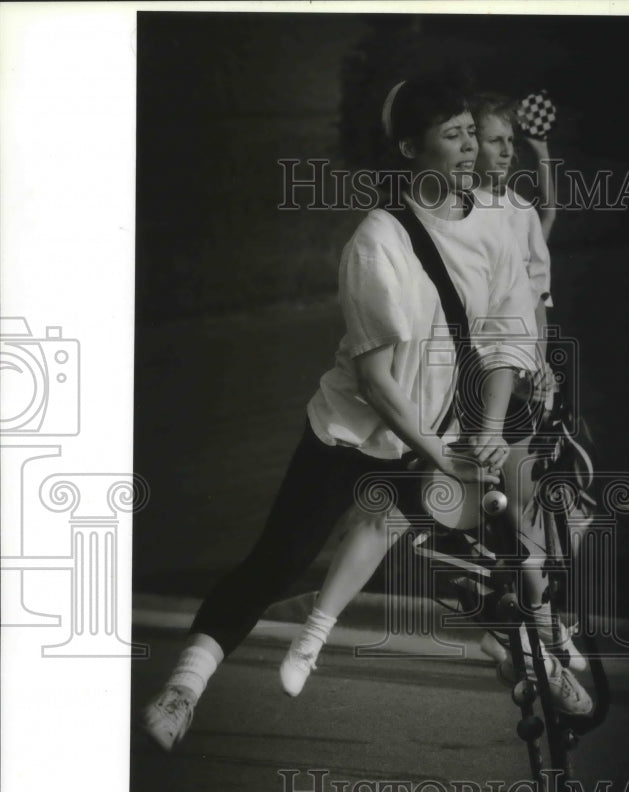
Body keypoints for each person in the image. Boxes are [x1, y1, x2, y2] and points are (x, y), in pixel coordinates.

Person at [142, 71, 546, 751]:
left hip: (438, 435)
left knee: (498, 536)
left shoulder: (501, 226)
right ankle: (182, 688)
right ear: (410, 149)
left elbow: (509, 335)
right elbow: (378, 383)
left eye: (472, 132)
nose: (471, 148)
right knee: (279, 563)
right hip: (357, 435)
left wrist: (486, 430)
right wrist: (439, 452)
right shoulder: (377, 241)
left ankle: (542, 662)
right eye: (452, 137)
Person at [470, 93, 591, 706]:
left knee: (531, 512)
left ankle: (539, 634)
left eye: (506, 143)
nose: (500, 151)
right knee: (489, 519)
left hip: (520, 378)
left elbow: (535, 294)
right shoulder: (454, 213)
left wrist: (541, 364)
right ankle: (523, 639)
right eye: (494, 140)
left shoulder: (515, 210)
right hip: (467, 377)